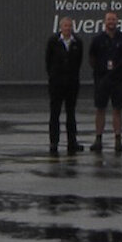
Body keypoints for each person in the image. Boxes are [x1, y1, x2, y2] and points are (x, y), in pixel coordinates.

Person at [88, 11, 122, 153]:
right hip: (102, 80)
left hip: (118, 80)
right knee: (100, 108)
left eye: (113, 19)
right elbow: (91, 58)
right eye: (109, 20)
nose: (111, 22)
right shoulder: (98, 40)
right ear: (105, 22)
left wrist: (121, 70)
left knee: (117, 109)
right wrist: (100, 71)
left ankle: (118, 140)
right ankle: (98, 139)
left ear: (117, 21)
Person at [45, 16, 85, 155]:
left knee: (71, 113)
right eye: (65, 26)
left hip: (72, 84)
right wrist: (54, 76)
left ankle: (72, 141)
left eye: (70, 26)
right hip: (56, 84)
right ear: (60, 27)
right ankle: (54, 142)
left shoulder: (77, 42)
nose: (67, 29)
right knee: (55, 113)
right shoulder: (53, 42)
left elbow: (79, 61)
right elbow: (48, 62)